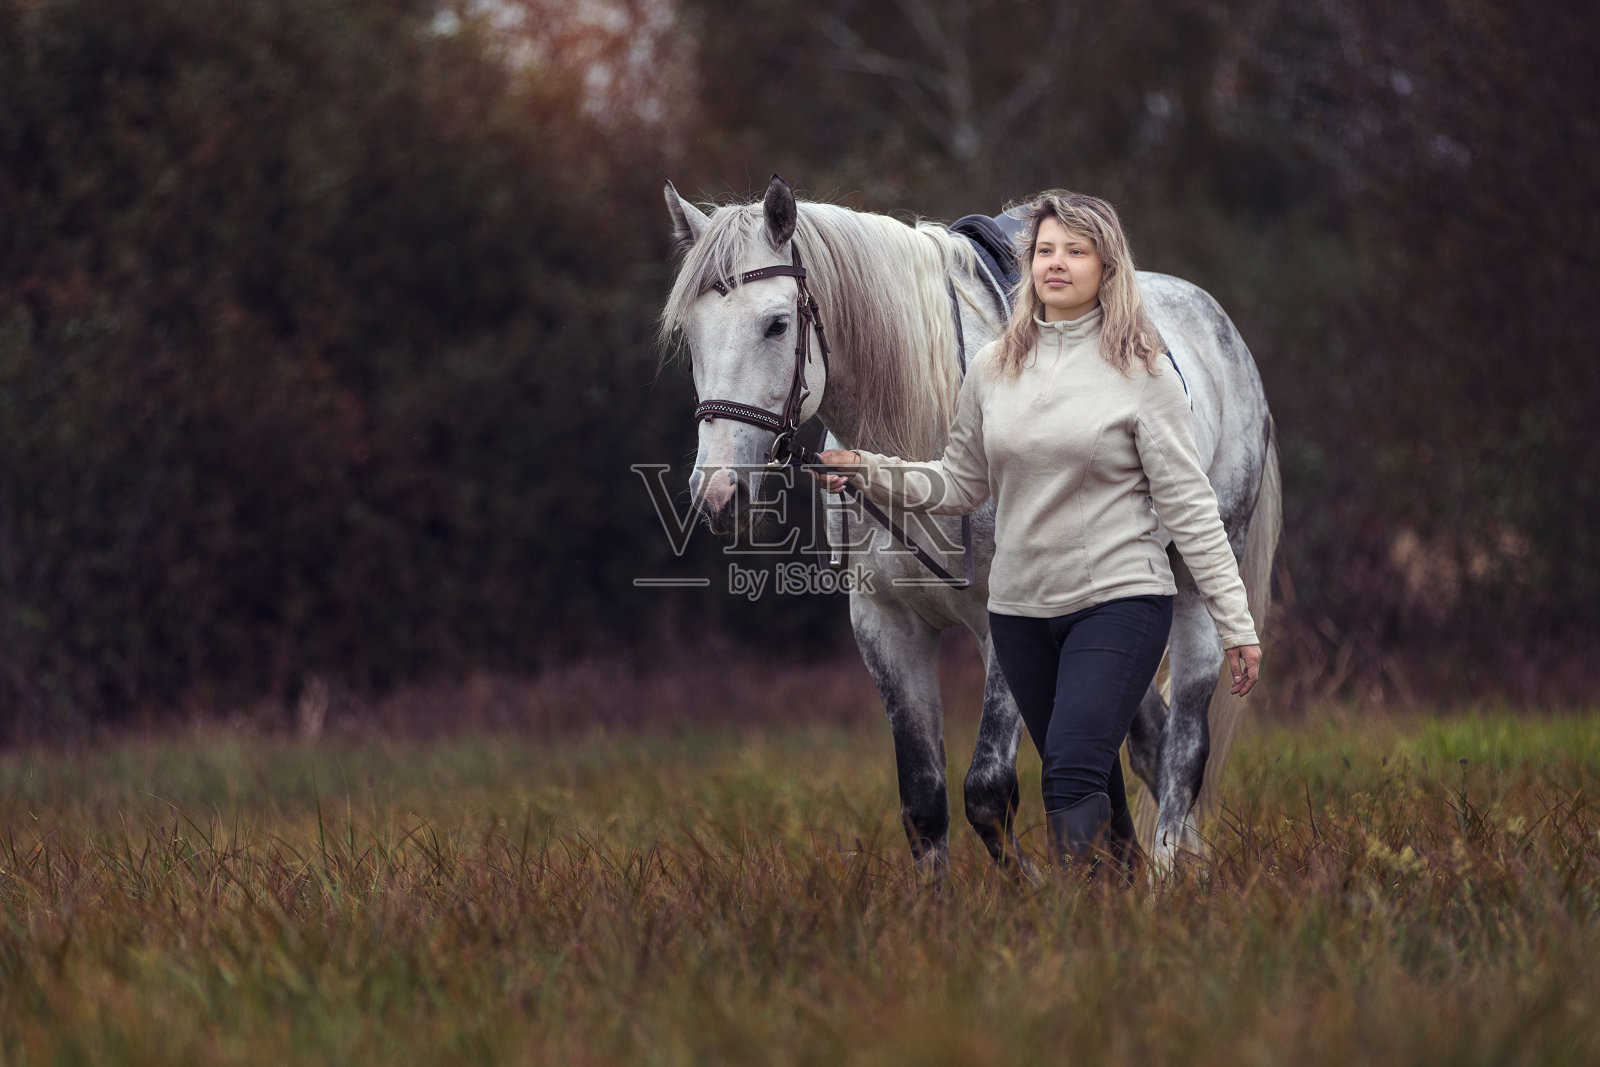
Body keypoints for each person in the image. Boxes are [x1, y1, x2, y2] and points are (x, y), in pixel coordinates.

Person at [814, 190, 1261, 874]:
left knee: (1068, 776)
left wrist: (1236, 621)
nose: (1056, 264)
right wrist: (867, 469)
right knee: (1088, 783)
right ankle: (1122, 912)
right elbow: (958, 485)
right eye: (1045, 250)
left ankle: (1078, 942)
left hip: (1117, 599)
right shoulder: (992, 369)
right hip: (1021, 617)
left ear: (1108, 269)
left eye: (1076, 252)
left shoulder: (1143, 372)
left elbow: (1192, 507)